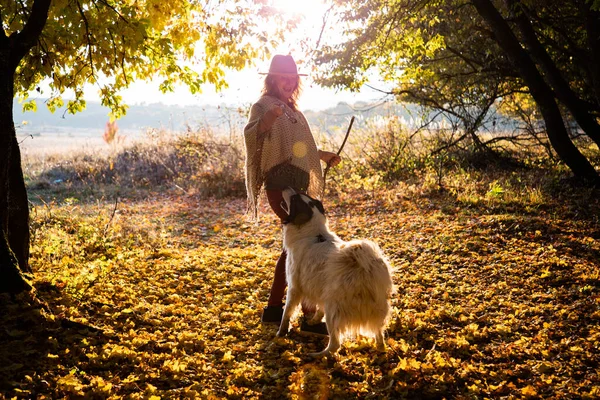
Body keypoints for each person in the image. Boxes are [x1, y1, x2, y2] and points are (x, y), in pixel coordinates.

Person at [243, 54, 341, 335]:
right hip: (279, 187)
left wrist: (322, 156)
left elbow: (302, 149)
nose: (289, 82)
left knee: (294, 248)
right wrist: (267, 121)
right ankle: (307, 316)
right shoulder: (263, 106)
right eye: (283, 77)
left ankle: (275, 310)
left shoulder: (293, 111)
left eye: (292, 77)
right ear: (272, 78)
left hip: (297, 186)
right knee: (303, 244)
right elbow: (252, 135)